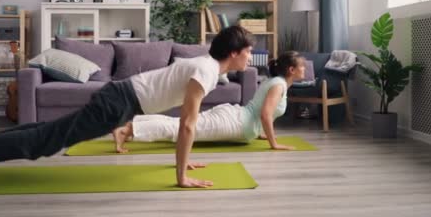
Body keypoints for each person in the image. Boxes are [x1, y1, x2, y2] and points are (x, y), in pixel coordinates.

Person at [0, 25, 255, 193]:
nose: (250, 57)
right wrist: (182, 174)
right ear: (236, 52)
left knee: (51, 132)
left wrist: (186, 162)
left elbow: (184, 119)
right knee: (47, 142)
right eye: (249, 51)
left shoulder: (207, 66)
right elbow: (187, 124)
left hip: (123, 101)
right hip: (120, 101)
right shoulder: (207, 70)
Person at [112, 51, 305, 153]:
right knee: (178, 129)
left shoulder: (276, 83)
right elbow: (265, 114)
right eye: (301, 66)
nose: (305, 68)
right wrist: (274, 143)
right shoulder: (278, 85)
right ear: (291, 70)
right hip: (234, 123)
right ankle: (127, 130)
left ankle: (129, 124)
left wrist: (260, 133)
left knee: (178, 124)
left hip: (236, 118)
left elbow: (261, 113)